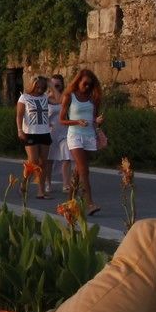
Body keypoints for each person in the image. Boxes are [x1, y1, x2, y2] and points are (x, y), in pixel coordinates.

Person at [60, 68, 105, 216]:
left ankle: (69, 201)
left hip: (89, 135)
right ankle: (89, 203)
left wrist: (97, 121)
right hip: (75, 135)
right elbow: (62, 120)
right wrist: (76, 121)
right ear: (78, 81)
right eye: (85, 83)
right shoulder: (69, 96)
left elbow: (94, 119)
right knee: (84, 170)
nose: (87, 87)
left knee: (78, 171)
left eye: (90, 85)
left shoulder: (93, 98)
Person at [15, 75, 55, 198]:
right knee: (33, 161)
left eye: (42, 86)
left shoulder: (45, 97)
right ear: (32, 85)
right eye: (37, 86)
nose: (39, 88)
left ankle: (41, 191)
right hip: (30, 132)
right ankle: (25, 181)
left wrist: (52, 85)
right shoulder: (24, 97)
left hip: (44, 132)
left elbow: (59, 99)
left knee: (43, 163)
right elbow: (19, 115)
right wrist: (20, 130)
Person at [47, 74, 71, 195]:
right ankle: (48, 183)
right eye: (53, 84)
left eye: (57, 85)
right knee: (49, 160)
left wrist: (54, 89)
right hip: (50, 133)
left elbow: (60, 100)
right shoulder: (45, 99)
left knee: (66, 157)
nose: (55, 87)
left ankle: (66, 184)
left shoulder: (65, 98)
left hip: (64, 132)